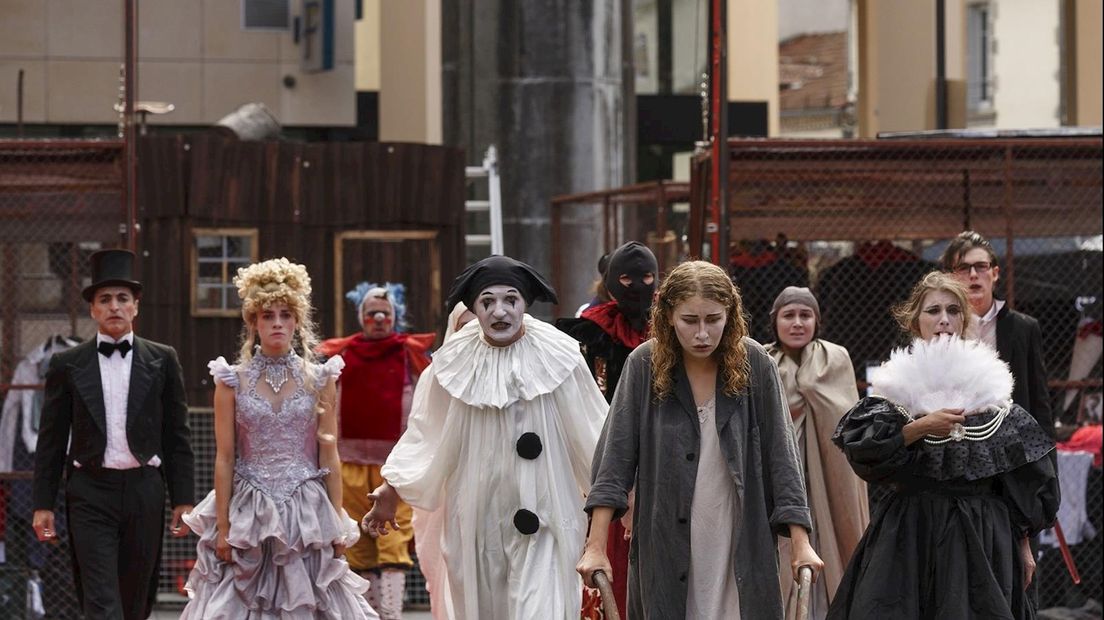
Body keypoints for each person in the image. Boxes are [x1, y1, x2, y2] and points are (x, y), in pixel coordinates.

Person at [363, 255, 608, 619]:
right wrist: (391, 488)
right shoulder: (451, 363)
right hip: (477, 521)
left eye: (511, 299)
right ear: (474, 308)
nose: (500, 312)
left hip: (547, 518)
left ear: (525, 304)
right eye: (487, 301)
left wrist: (623, 492)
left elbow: (592, 428)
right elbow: (425, 433)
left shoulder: (560, 355)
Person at [579, 260, 824, 619]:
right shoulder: (643, 365)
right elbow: (613, 461)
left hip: (737, 533)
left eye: (713, 319)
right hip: (666, 537)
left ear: (730, 314)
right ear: (668, 317)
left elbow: (782, 459)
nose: (702, 334)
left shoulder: (755, 364)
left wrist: (801, 544)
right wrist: (595, 546)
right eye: (689, 321)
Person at [827, 272, 1059, 619]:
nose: (944, 320)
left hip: (981, 535)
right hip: (911, 533)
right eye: (933, 310)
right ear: (914, 320)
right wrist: (920, 427)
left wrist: (1024, 545)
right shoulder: (894, 392)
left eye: (953, 310)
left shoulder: (993, 391)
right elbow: (866, 456)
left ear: (965, 318)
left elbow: (1019, 477)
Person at [180, 258, 378, 619]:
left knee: (310, 600)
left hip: (306, 510)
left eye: (285, 314)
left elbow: (328, 452)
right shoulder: (231, 380)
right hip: (248, 508)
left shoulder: (320, 378)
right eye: (267, 315)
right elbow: (224, 457)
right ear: (253, 321)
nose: (277, 323)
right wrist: (223, 528)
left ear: (297, 320)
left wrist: (335, 520)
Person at [32, 249, 195, 620]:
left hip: (144, 489)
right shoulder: (68, 364)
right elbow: (51, 439)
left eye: (123, 298)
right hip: (89, 491)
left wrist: (183, 500)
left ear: (136, 306)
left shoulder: (162, 359)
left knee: (136, 598)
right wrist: (43, 503)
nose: (114, 306)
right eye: (104, 299)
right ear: (93, 309)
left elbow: (177, 435)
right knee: (102, 600)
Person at [316, 282, 435, 618]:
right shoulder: (342, 354)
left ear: (395, 316)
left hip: (395, 468)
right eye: (372, 314)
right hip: (349, 463)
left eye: (385, 313)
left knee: (394, 543)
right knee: (358, 543)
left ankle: (392, 616)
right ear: (362, 317)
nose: (379, 319)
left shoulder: (410, 352)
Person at [557, 240, 657, 618]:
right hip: (602, 456)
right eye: (629, 279)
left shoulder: (676, 326)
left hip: (665, 452)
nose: (639, 287)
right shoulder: (588, 334)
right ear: (613, 283)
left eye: (648, 278)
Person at [765, 287, 868, 619]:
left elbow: (845, 418)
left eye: (805, 316)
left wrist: (807, 386)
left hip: (828, 475)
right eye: (789, 316)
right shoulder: (760, 361)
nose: (797, 323)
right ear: (775, 321)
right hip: (779, 477)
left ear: (817, 321)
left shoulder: (835, 358)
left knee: (830, 545)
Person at [940, 231, 1053, 434]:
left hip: (1013, 442)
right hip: (958, 438)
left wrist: (1049, 462)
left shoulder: (1024, 328)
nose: (973, 274)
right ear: (951, 277)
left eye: (981, 266)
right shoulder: (940, 328)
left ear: (995, 273)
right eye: (964, 268)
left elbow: (1040, 401)